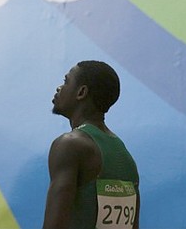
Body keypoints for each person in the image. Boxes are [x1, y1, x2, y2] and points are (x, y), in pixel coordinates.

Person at [43, 60, 140, 229]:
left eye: (66, 81)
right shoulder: (125, 156)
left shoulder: (70, 145)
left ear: (81, 92)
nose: (59, 87)